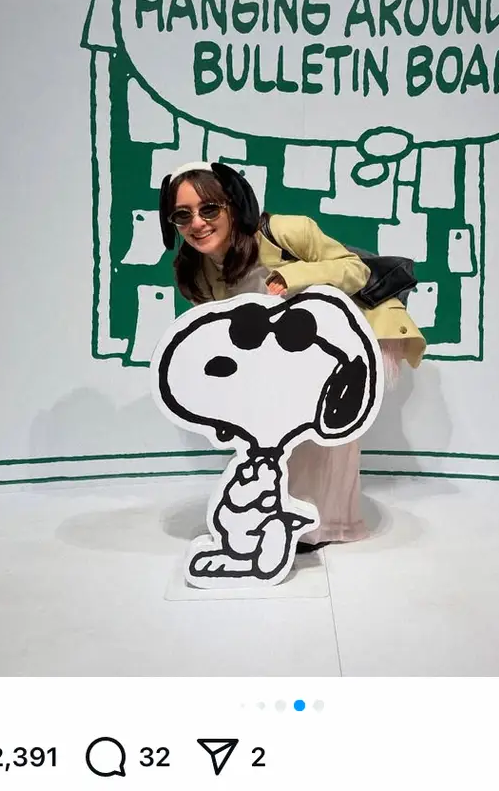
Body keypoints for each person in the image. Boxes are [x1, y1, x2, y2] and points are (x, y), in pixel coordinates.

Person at [160, 160, 426, 551]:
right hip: (288, 353)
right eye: (183, 215)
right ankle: (289, 513)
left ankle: (332, 524)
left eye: (210, 209)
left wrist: (293, 277)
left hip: (350, 335)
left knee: (328, 429)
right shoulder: (197, 270)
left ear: (234, 206)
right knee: (280, 429)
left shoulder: (285, 230)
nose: (197, 223)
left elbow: (355, 270)